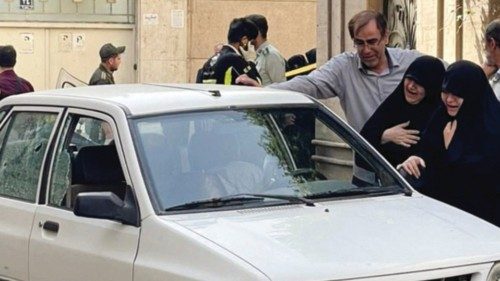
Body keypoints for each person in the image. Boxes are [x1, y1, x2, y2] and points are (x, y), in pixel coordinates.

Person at [237, 10, 421, 132]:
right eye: (359, 43)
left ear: (386, 37)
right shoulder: (344, 67)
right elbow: (309, 84)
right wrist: (263, 92)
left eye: (372, 42)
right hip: (367, 175)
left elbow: (447, 75)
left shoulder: (411, 62)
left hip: (410, 175)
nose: (366, 50)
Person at [399, 60, 500, 227]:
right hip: (440, 216)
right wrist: (415, 160)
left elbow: (479, 180)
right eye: (445, 92)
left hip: (482, 220)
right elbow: (427, 155)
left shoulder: (493, 126)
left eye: (457, 94)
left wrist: (450, 149)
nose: (450, 100)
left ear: (472, 93)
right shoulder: (442, 116)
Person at [359, 56, 445, 168]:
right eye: (409, 79)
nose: (411, 86)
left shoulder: (442, 118)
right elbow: (360, 147)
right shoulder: (394, 105)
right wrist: (384, 136)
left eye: (419, 83)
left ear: (432, 87)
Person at [213, 17, 262, 85]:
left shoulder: (213, 59)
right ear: (244, 40)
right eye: (251, 43)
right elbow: (257, 83)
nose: (252, 47)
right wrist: (251, 61)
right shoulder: (235, 59)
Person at [246, 14, 286, 86]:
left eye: (248, 31)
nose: (245, 35)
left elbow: (281, 88)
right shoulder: (256, 54)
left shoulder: (271, 55)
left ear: (257, 32)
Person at [482, 19, 500, 99]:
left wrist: (480, 76)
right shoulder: (492, 73)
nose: (484, 49)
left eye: (484, 44)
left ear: (492, 43)